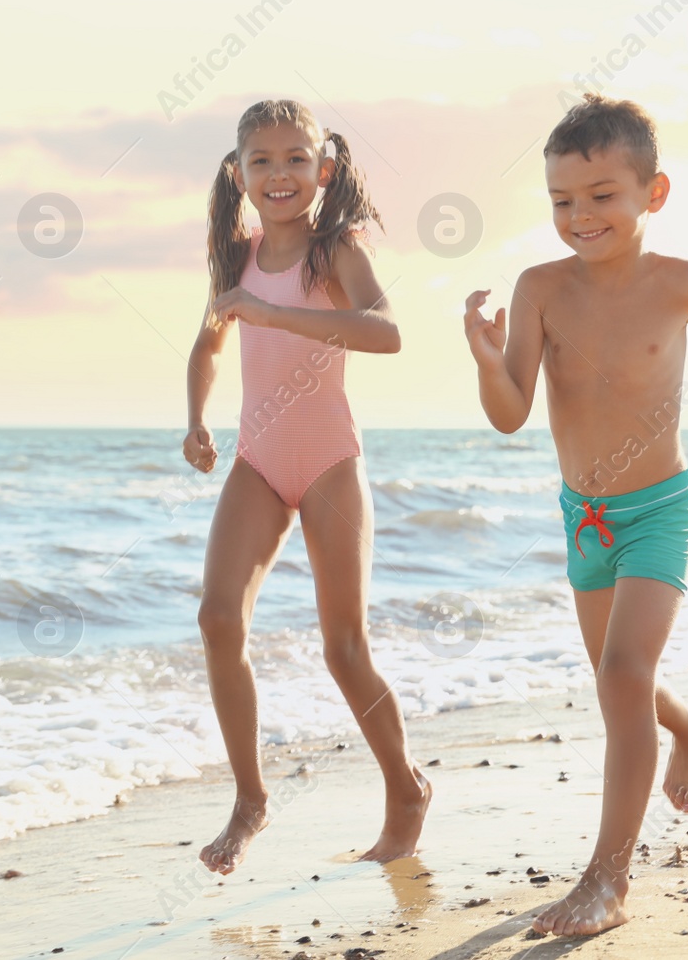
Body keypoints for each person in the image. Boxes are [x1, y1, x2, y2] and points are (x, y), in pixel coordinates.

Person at [462, 93, 688, 935]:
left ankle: (607, 881)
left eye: (601, 195)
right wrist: (483, 355)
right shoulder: (540, 289)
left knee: (621, 678)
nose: (580, 216)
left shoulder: (679, 282)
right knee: (623, 684)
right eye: (561, 201)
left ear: (653, 193)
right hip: (584, 518)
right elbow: (510, 413)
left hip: (659, 510)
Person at [183, 99, 430, 875]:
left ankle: (406, 787)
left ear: (323, 169)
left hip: (328, 460)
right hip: (258, 458)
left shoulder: (335, 249)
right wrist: (195, 416)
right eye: (262, 160)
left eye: (296, 158)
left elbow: (387, 332)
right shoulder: (238, 256)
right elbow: (208, 343)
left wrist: (274, 315)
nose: (280, 173)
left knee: (343, 646)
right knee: (219, 617)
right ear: (240, 174)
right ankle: (251, 797)